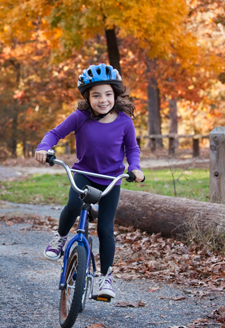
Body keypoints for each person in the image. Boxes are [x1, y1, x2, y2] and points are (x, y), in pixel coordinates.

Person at [35, 63, 144, 300]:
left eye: (107, 94)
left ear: (115, 95)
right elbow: (54, 134)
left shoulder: (125, 121)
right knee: (73, 206)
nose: (102, 100)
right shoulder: (80, 117)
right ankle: (61, 237)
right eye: (96, 95)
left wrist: (134, 168)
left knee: (105, 228)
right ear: (87, 97)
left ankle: (106, 277)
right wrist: (45, 147)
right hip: (84, 174)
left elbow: (132, 149)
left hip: (111, 180)